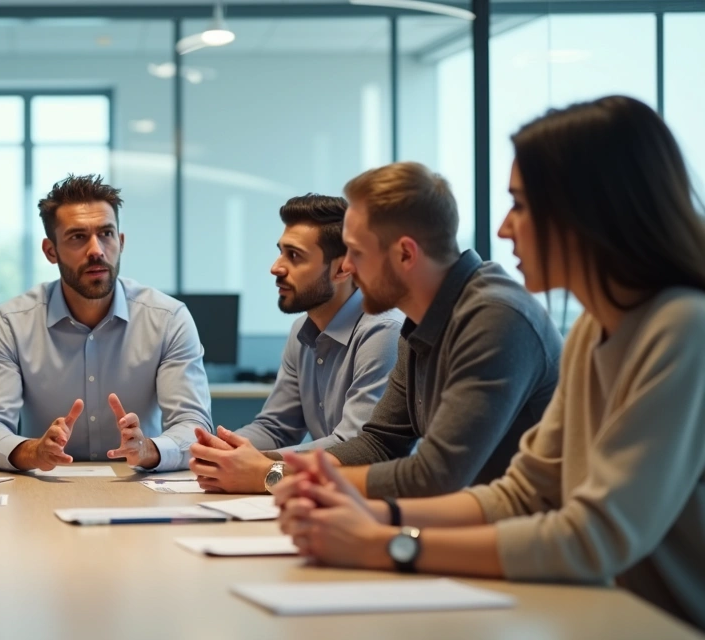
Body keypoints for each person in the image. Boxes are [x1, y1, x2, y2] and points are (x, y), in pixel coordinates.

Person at [274, 95, 705, 631]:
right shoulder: (597, 326)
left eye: (521, 205)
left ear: (590, 212)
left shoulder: (681, 328)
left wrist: (385, 543)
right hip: (598, 610)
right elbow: (525, 492)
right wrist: (369, 517)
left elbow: (591, 537)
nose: (503, 229)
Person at [290, 161, 562, 499]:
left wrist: (281, 477)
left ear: (406, 254)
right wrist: (268, 469)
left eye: (356, 252)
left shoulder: (495, 318)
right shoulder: (419, 322)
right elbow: (378, 443)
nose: (346, 267)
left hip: (522, 541)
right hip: (475, 530)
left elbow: (437, 474)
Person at [0, 174, 213, 472]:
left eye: (107, 234)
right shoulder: (11, 324)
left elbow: (194, 427)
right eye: (77, 237)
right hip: (46, 490)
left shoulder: (168, 319)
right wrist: (34, 451)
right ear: (50, 251)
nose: (96, 250)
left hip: (138, 488)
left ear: (120, 243)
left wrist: (149, 449)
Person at [189, 194, 402, 494]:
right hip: (324, 494)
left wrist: (259, 466)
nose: (276, 268)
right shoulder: (302, 330)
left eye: (295, 256)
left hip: (380, 502)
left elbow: (354, 446)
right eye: (280, 253)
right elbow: (275, 427)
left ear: (343, 268)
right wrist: (221, 448)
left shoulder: (383, 331)